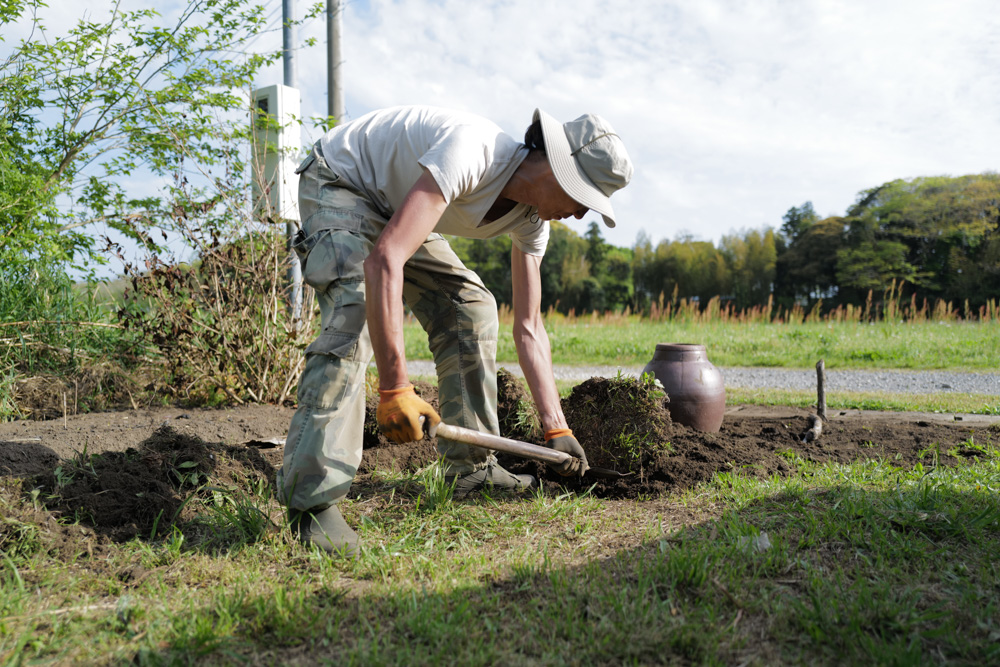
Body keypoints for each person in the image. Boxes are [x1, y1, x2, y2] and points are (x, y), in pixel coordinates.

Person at [277, 105, 633, 555]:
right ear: (559, 169)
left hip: (393, 204)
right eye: (585, 198)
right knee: (355, 306)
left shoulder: (531, 222)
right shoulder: (472, 151)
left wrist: (555, 427)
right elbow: (385, 260)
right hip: (340, 182)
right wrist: (394, 389)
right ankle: (311, 503)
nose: (582, 214)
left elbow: (530, 326)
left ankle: (471, 471)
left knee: (472, 307)